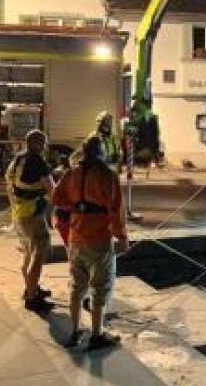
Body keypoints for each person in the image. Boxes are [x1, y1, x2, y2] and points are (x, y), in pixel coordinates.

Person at [53, 135, 128, 350]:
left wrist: (78, 205)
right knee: (100, 287)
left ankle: (75, 332)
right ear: (101, 152)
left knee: (76, 287)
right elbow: (116, 209)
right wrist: (122, 237)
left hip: (75, 237)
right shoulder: (107, 175)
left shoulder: (72, 173)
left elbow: (57, 198)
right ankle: (97, 334)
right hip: (99, 238)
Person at [5, 129, 56, 313]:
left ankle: (30, 287)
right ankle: (32, 298)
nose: (44, 147)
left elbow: (8, 183)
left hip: (19, 213)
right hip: (33, 214)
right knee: (38, 252)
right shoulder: (38, 162)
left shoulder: (17, 159)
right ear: (37, 144)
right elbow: (53, 191)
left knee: (28, 251)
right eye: (43, 143)